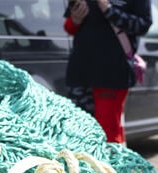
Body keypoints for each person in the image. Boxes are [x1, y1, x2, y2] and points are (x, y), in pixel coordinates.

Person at [64, 0, 151, 144]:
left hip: (112, 76)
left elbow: (143, 26)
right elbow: (69, 27)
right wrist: (75, 19)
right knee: (75, 135)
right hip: (79, 74)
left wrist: (109, 10)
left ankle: (108, 166)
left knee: (107, 138)